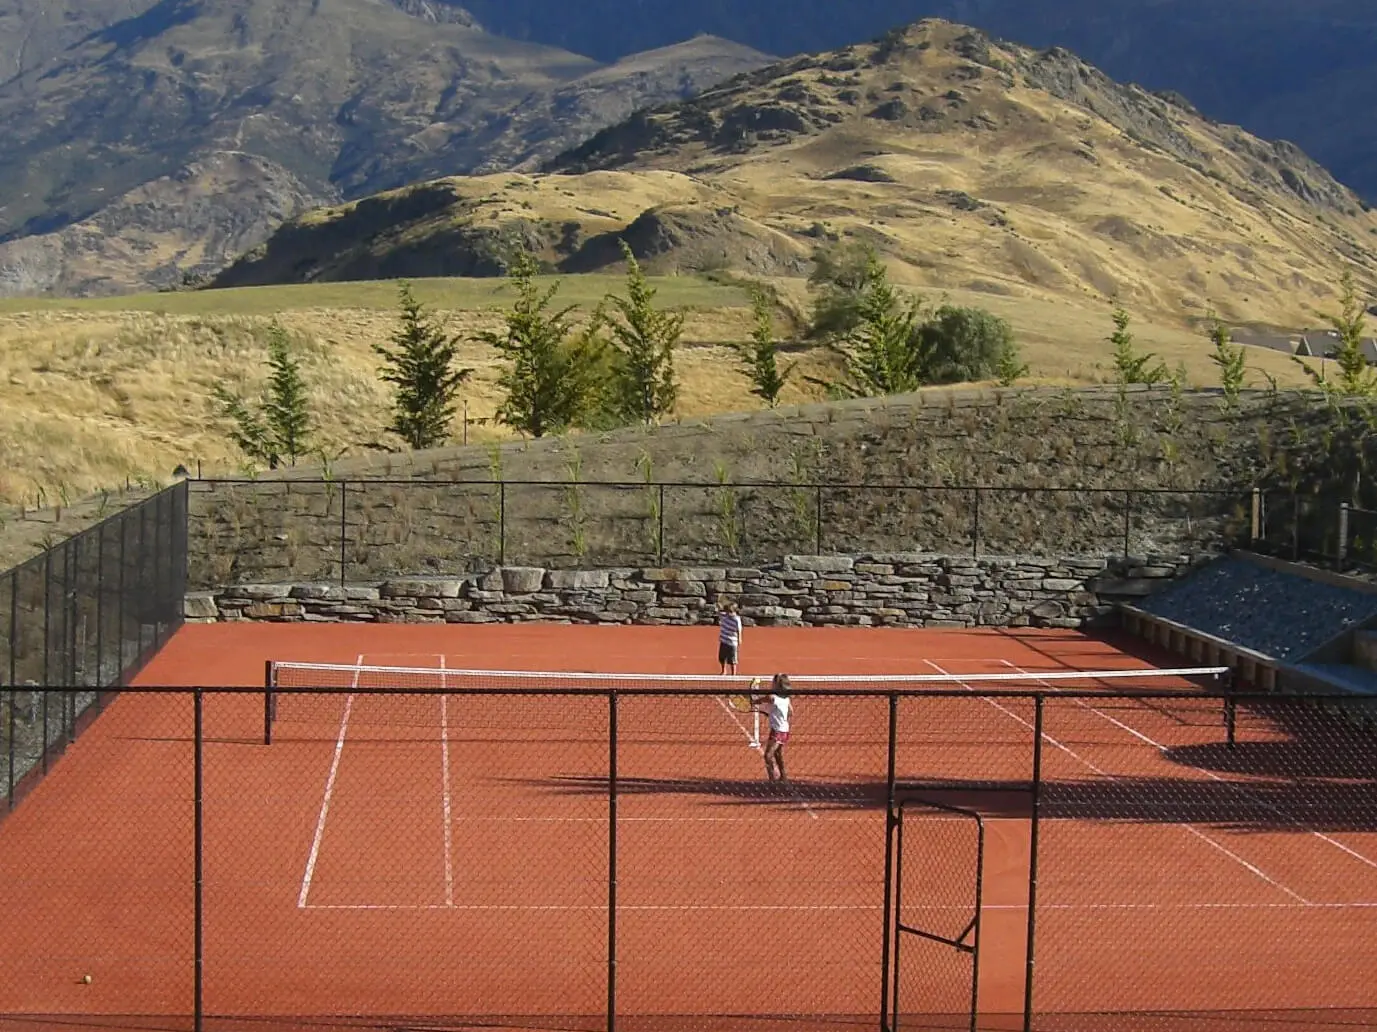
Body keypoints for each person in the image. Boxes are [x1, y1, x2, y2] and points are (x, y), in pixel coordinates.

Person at [753, 673, 792, 783]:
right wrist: (775, 715)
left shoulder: (772, 697)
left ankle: (772, 780)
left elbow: (762, 699)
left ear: (777, 685)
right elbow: (791, 712)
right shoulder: (787, 699)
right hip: (785, 729)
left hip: (777, 731)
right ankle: (783, 776)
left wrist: (753, 701)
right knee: (777, 753)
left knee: (768, 755)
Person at [718, 601, 743, 676]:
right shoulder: (724, 616)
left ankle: (733, 674)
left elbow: (739, 630)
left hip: (732, 643)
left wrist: (739, 639)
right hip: (723, 640)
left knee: (732, 660)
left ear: (734, 611)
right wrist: (719, 607)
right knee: (722, 658)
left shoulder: (737, 620)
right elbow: (718, 612)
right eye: (728, 611)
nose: (729, 613)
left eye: (730, 612)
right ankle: (724, 671)